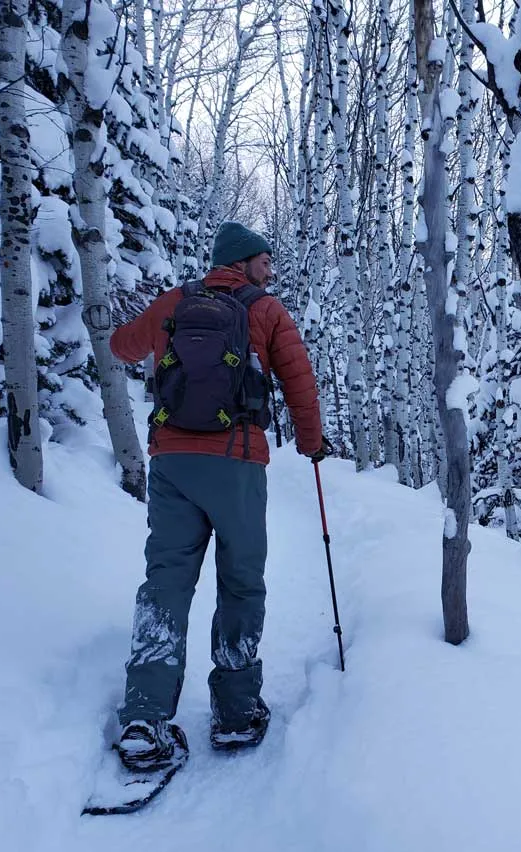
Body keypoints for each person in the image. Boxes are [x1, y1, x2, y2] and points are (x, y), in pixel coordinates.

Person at [109, 221, 332, 770]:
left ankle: (145, 717)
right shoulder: (266, 310)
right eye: (265, 259)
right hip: (235, 462)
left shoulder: (174, 302)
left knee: (165, 580)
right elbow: (299, 382)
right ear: (246, 261)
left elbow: (121, 346)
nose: (270, 269)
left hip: (171, 463)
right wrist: (311, 444)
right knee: (240, 578)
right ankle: (235, 712)